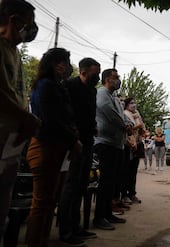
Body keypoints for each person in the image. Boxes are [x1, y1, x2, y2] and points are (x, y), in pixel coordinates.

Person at [26, 48, 83, 247]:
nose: (67, 67)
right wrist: (73, 140)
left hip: (59, 148)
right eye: (64, 63)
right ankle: (35, 242)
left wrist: (73, 137)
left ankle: (42, 240)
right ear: (53, 64)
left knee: (50, 201)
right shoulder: (45, 86)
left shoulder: (58, 86)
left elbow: (67, 118)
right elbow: (52, 120)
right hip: (45, 147)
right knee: (41, 203)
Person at [0, 0, 40, 241]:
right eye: (30, 23)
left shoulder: (13, 52)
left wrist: (25, 119)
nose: (32, 29)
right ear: (14, 20)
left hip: (10, 142)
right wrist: (27, 118)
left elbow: (15, 94)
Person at [57, 58, 101, 246]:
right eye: (95, 73)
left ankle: (76, 227)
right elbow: (66, 115)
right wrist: (73, 138)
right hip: (73, 142)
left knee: (82, 185)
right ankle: (65, 231)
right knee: (71, 186)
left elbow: (90, 114)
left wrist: (94, 127)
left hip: (88, 140)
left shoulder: (92, 90)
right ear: (83, 71)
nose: (97, 76)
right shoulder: (69, 86)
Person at [93, 69, 131, 230]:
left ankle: (107, 213)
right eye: (116, 77)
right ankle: (99, 217)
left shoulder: (114, 96)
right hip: (105, 143)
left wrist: (127, 123)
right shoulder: (102, 94)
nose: (119, 80)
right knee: (105, 182)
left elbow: (122, 114)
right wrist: (124, 126)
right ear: (108, 79)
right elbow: (111, 114)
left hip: (116, 144)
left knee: (112, 183)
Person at [121, 97, 144, 205]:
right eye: (131, 103)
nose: (134, 105)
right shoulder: (125, 113)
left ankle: (132, 193)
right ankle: (124, 195)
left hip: (138, 143)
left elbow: (142, 127)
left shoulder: (137, 114)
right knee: (126, 171)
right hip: (129, 144)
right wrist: (138, 126)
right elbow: (130, 128)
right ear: (126, 105)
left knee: (133, 171)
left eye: (134, 103)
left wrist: (141, 126)